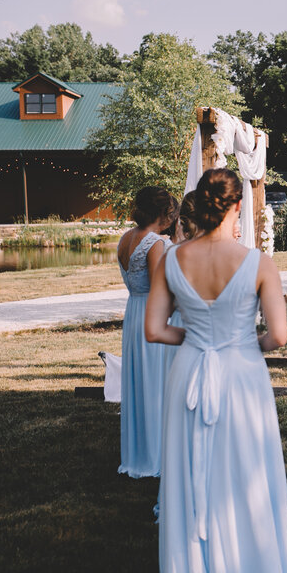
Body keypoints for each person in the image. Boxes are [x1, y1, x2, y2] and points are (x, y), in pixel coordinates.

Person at [144, 168, 287, 573]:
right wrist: (242, 344)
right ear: (238, 206)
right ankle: (254, 571)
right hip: (242, 374)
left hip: (190, 372)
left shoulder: (171, 259)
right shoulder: (258, 263)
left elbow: (155, 331)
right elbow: (278, 336)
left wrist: (198, 340)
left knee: (192, 470)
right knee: (246, 468)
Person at [116, 186, 178, 478]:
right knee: (154, 384)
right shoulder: (155, 243)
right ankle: (154, 455)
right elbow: (160, 289)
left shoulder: (125, 238)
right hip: (152, 314)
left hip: (133, 313)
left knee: (139, 383)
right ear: (164, 214)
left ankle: (137, 451)